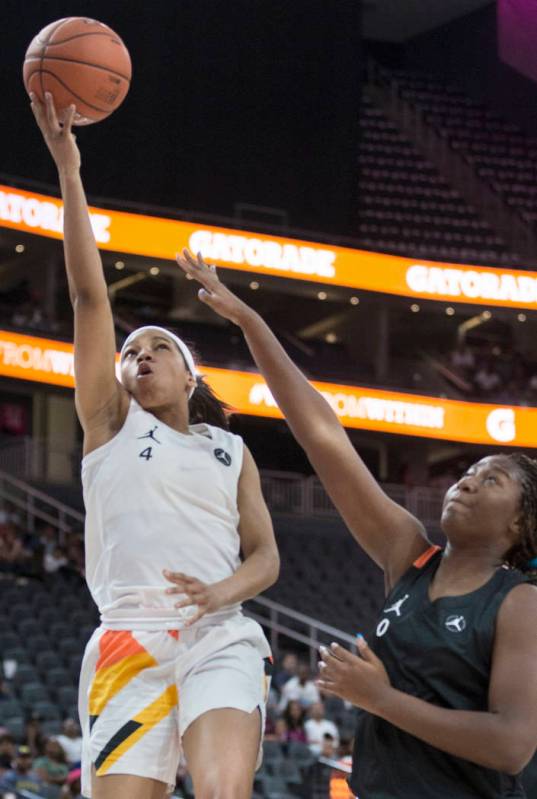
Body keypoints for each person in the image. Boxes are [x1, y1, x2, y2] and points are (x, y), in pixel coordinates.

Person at [177, 249, 537, 799]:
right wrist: (249, 321)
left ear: (519, 523)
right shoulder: (408, 555)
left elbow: (512, 744)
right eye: (466, 472)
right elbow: (323, 434)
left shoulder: (519, 602)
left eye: (491, 481)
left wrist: (381, 699)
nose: (465, 482)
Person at [30, 93, 280, 799]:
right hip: (127, 636)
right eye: (130, 350)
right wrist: (69, 172)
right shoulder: (109, 424)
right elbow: (87, 297)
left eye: (157, 347)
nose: (138, 354)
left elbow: (265, 555)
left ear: (189, 374)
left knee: (222, 789)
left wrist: (221, 591)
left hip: (217, 630)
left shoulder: (229, 449)